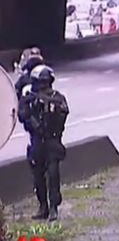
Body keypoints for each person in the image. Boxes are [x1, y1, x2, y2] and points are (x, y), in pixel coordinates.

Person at [17, 65, 69, 221]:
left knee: (53, 175)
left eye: (44, 83)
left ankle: (53, 207)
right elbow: (22, 115)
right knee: (38, 176)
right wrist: (33, 118)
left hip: (52, 141)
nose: (42, 87)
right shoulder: (29, 98)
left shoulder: (57, 97)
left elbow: (64, 111)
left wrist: (49, 107)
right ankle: (43, 206)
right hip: (37, 141)